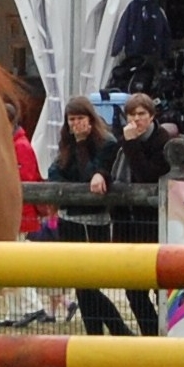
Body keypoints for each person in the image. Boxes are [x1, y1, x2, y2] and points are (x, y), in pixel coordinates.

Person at [47, 95, 132, 336]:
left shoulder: (106, 143)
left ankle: (118, 330)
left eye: (80, 118)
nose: (75, 124)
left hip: (96, 221)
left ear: (90, 119)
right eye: (71, 120)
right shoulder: (67, 143)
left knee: (89, 283)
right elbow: (55, 172)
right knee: (81, 284)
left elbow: (89, 174)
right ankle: (98, 334)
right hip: (69, 220)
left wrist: (84, 149)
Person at [110, 92, 171, 336]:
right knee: (133, 287)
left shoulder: (162, 141)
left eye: (142, 114)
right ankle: (150, 334)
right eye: (133, 115)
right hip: (128, 222)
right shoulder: (123, 139)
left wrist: (132, 144)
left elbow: (146, 173)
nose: (137, 120)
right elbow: (112, 167)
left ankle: (165, 334)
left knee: (160, 284)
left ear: (152, 116)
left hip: (154, 222)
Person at [0, 101, 54, 327]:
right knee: (8, 263)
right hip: (14, 213)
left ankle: (32, 307)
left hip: (21, 214)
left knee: (13, 263)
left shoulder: (20, 146)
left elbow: (26, 180)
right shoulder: (12, 143)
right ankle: (18, 311)